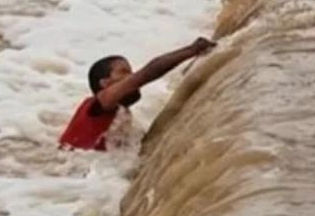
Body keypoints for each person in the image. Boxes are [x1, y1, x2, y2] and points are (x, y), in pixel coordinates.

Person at [58, 37, 215, 151]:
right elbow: (148, 72)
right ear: (104, 84)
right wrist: (191, 50)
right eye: (124, 72)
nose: (131, 76)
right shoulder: (102, 101)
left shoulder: (115, 111)